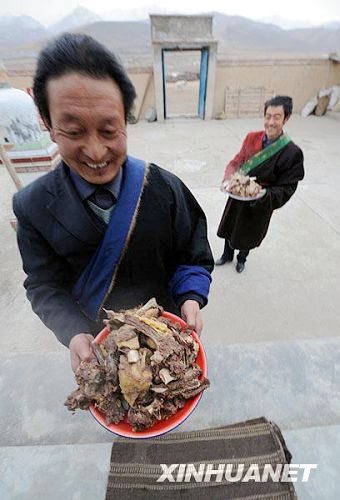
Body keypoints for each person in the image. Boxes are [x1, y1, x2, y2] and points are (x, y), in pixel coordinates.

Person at [13, 33, 214, 371]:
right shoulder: (31, 206)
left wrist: (191, 296)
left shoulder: (166, 188)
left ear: (126, 119)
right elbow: (45, 286)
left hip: (164, 337)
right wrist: (74, 333)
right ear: (47, 123)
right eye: (74, 132)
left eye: (109, 131)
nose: (95, 152)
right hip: (100, 347)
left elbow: (192, 255)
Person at [216, 95, 304, 273]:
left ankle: (242, 259)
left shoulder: (292, 153)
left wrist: (263, 195)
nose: (270, 122)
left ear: (286, 119)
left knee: (248, 233)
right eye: (268, 116)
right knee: (230, 226)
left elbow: (287, 187)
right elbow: (237, 161)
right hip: (238, 195)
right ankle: (226, 255)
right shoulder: (251, 137)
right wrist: (228, 179)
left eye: (277, 117)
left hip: (261, 202)